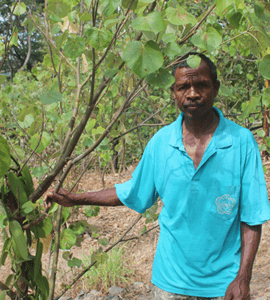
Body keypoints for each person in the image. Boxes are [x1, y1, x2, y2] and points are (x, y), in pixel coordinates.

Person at [44, 53, 270, 300]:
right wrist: (77, 198)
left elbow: (252, 215)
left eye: (201, 85)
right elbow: (134, 192)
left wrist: (243, 278)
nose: (192, 93)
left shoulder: (241, 142)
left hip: (224, 286)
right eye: (183, 87)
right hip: (169, 284)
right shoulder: (161, 143)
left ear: (215, 88)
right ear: (173, 92)